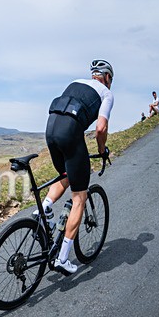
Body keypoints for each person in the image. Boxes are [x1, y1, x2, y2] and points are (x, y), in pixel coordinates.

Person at [40, 59, 114, 274]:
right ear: (107, 78)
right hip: (70, 132)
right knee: (79, 196)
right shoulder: (106, 93)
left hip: (51, 129)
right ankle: (62, 258)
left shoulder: (76, 82)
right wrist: (102, 150)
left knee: (66, 173)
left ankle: (44, 208)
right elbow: (101, 128)